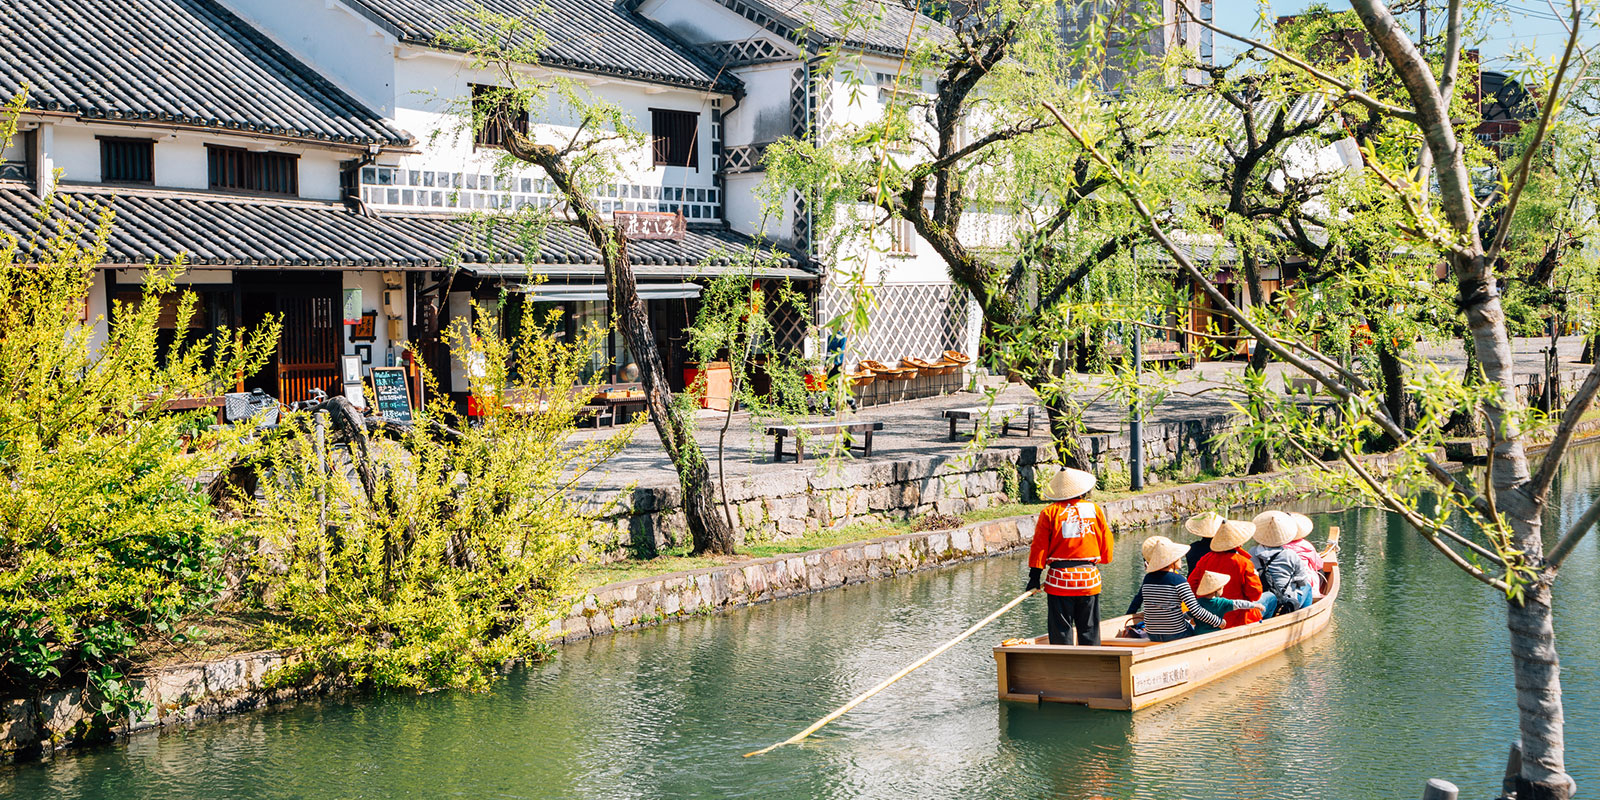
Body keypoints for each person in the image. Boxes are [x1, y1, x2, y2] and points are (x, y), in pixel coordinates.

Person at [1026, 467, 1113, 645]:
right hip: (1088, 579)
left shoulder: (1049, 513)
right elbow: (1106, 540)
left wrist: (1034, 577)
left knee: (1061, 631)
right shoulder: (1094, 509)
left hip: (1060, 580)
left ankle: (1063, 667)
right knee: (1089, 629)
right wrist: (1103, 558)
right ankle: (1091, 665)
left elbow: (1039, 547)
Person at [1126, 536, 1225, 641]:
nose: (1181, 559)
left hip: (1152, 634)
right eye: (1178, 557)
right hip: (1176, 633)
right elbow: (1196, 610)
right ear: (1171, 561)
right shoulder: (1178, 580)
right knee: (1199, 631)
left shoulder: (1148, 578)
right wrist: (1218, 622)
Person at [1187, 519, 1267, 626]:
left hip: (1209, 616)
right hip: (1240, 618)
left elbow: (1192, 586)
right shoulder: (1243, 562)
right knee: (1271, 599)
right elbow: (1255, 594)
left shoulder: (1205, 559)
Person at [1250, 511, 1318, 614]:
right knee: (1307, 587)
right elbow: (1302, 581)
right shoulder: (1290, 554)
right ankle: (1302, 615)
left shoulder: (1252, 552)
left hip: (1263, 596)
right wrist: (1291, 580)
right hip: (1286, 597)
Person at [1190, 572, 1266, 635]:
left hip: (1198, 634)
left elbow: (1188, 615)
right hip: (1215, 634)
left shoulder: (1198, 602)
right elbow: (1239, 604)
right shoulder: (1221, 602)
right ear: (1217, 590)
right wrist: (1255, 605)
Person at [1282, 512, 1326, 599]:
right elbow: (1318, 565)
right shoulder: (1306, 545)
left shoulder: (1274, 547)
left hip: (1281, 582)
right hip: (1305, 582)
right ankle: (1316, 593)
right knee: (1320, 571)